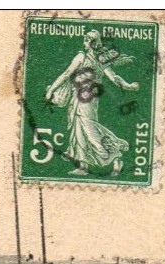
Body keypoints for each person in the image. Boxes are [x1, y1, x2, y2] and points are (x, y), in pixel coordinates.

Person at [45, 30, 139, 176]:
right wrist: (128, 85)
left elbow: (67, 74)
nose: (85, 39)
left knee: (89, 128)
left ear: (92, 42)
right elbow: (113, 77)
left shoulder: (83, 57)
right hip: (81, 97)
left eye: (87, 38)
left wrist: (51, 90)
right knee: (79, 128)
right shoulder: (97, 60)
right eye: (86, 37)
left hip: (87, 98)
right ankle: (83, 166)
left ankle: (115, 155)